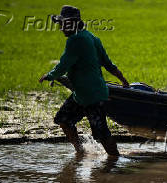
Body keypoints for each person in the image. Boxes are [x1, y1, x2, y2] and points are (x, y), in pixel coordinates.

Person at [39, 5, 129, 156]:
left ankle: (115, 159)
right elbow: (108, 64)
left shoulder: (75, 40)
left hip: (92, 97)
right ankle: (81, 152)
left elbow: (64, 65)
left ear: (72, 24)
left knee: (102, 133)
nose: (61, 28)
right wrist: (123, 80)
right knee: (63, 119)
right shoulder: (93, 37)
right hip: (83, 95)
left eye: (63, 24)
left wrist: (50, 75)